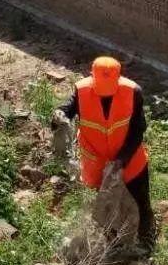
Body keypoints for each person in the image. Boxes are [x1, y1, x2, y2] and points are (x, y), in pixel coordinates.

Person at [51, 56, 156, 251]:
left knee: (141, 202)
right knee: (108, 206)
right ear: (92, 78)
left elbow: (138, 130)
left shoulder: (132, 92)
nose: (105, 96)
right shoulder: (82, 91)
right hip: (98, 165)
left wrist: (121, 160)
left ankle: (147, 241)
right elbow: (68, 109)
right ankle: (115, 246)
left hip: (131, 162)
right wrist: (59, 114)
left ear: (118, 79)